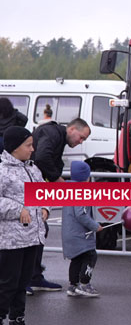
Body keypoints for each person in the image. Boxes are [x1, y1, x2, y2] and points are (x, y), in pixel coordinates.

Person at [26, 118, 91, 295]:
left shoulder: (58, 137)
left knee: (40, 229)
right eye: (81, 137)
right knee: (31, 231)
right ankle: (24, 278)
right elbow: (42, 157)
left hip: (33, 187)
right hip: (25, 187)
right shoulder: (52, 133)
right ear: (71, 129)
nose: (80, 142)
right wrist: (58, 180)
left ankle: (34, 276)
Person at [0, 126, 48, 325]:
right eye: (28, 145)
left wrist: (45, 207)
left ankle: (17, 317)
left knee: (23, 282)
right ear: (14, 147)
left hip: (32, 237)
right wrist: (18, 210)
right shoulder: (2, 171)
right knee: (8, 283)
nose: (32, 149)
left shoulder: (32, 168)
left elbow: (42, 191)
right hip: (11, 240)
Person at [62, 161, 102, 298]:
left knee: (76, 258)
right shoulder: (82, 191)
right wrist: (95, 226)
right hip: (81, 234)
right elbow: (81, 214)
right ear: (86, 177)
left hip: (69, 232)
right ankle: (85, 283)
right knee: (91, 255)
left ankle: (73, 285)